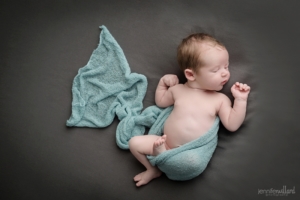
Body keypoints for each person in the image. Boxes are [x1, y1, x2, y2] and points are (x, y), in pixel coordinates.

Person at [129, 33, 251, 187]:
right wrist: (162, 83)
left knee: (192, 163)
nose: (225, 72)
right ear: (190, 74)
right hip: (164, 143)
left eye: (226, 66)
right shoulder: (177, 90)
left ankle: (163, 157)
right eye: (215, 70)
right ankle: (152, 169)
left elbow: (232, 124)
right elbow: (161, 102)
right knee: (134, 143)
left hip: (189, 152)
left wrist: (240, 100)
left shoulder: (220, 99)